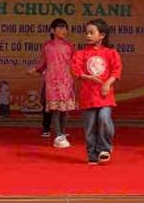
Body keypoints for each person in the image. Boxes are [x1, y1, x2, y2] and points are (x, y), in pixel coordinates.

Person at [72, 18, 122, 165]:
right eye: (87, 33)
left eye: (91, 32)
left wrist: (108, 84)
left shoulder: (111, 53)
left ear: (102, 35)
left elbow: (117, 70)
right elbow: (76, 70)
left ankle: (104, 149)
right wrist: (88, 77)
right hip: (88, 96)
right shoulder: (80, 54)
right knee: (90, 126)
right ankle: (92, 154)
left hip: (105, 95)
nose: (88, 35)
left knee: (104, 118)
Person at [28, 18, 76, 148]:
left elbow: (75, 63)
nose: (64, 30)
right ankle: (58, 136)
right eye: (60, 27)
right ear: (52, 30)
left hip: (66, 81)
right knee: (55, 110)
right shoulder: (47, 46)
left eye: (65, 28)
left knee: (65, 110)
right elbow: (43, 63)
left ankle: (63, 133)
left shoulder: (69, 46)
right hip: (52, 82)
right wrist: (35, 69)